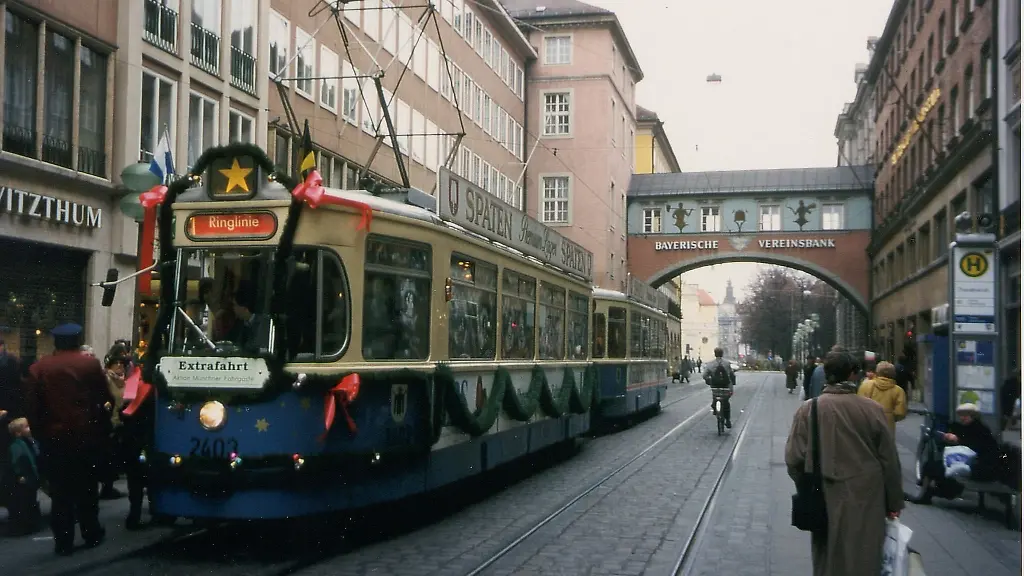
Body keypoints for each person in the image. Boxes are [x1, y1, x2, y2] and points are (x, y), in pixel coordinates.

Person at [785, 349, 903, 576]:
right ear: (852, 374)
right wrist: (894, 502)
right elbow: (889, 460)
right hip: (868, 497)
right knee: (864, 558)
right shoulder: (873, 410)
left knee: (828, 558)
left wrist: (806, 484)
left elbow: (793, 458)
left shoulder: (810, 409)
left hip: (825, 495)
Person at [22, 323, 112, 556]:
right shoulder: (89, 364)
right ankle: (91, 533)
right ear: (77, 340)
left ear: (55, 342)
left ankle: (63, 542)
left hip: (54, 439)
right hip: (85, 437)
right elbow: (104, 396)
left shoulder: (39, 368)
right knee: (87, 488)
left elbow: (32, 407)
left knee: (60, 493)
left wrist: (40, 434)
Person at [911, 403, 1003, 504]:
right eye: (961, 415)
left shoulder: (979, 430)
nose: (962, 418)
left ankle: (928, 495)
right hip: (973, 464)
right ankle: (930, 493)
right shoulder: (972, 427)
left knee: (932, 467)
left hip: (977, 466)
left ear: (973, 416)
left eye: (965, 415)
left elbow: (973, 448)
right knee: (934, 466)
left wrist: (958, 440)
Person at [6, 417, 42, 535]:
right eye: (26, 427)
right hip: (25, 476)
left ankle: (29, 524)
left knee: (30, 499)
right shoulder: (17, 445)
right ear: (18, 433)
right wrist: (19, 474)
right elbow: (17, 461)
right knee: (27, 500)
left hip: (29, 475)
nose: (29, 428)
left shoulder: (28, 442)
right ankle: (27, 525)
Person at [857, 361, 907, 435]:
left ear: (877, 372)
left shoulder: (866, 385)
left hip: (869, 422)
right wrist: (891, 417)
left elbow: (859, 406)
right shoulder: (898, 390)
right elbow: (900, 412)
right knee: (886, 444)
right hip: (888, 423)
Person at [702, 348, 735, 428]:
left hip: (715, 386)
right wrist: (732, 384)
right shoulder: (727, 363)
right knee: (726, 402)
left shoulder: (710, 364)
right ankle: (727, 420)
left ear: (715, 354)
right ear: (722, 354)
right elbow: (731, 374)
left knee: (715, 399)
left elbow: (704, 375)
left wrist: (709, 381)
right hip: (726, 386)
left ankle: (715, 410)